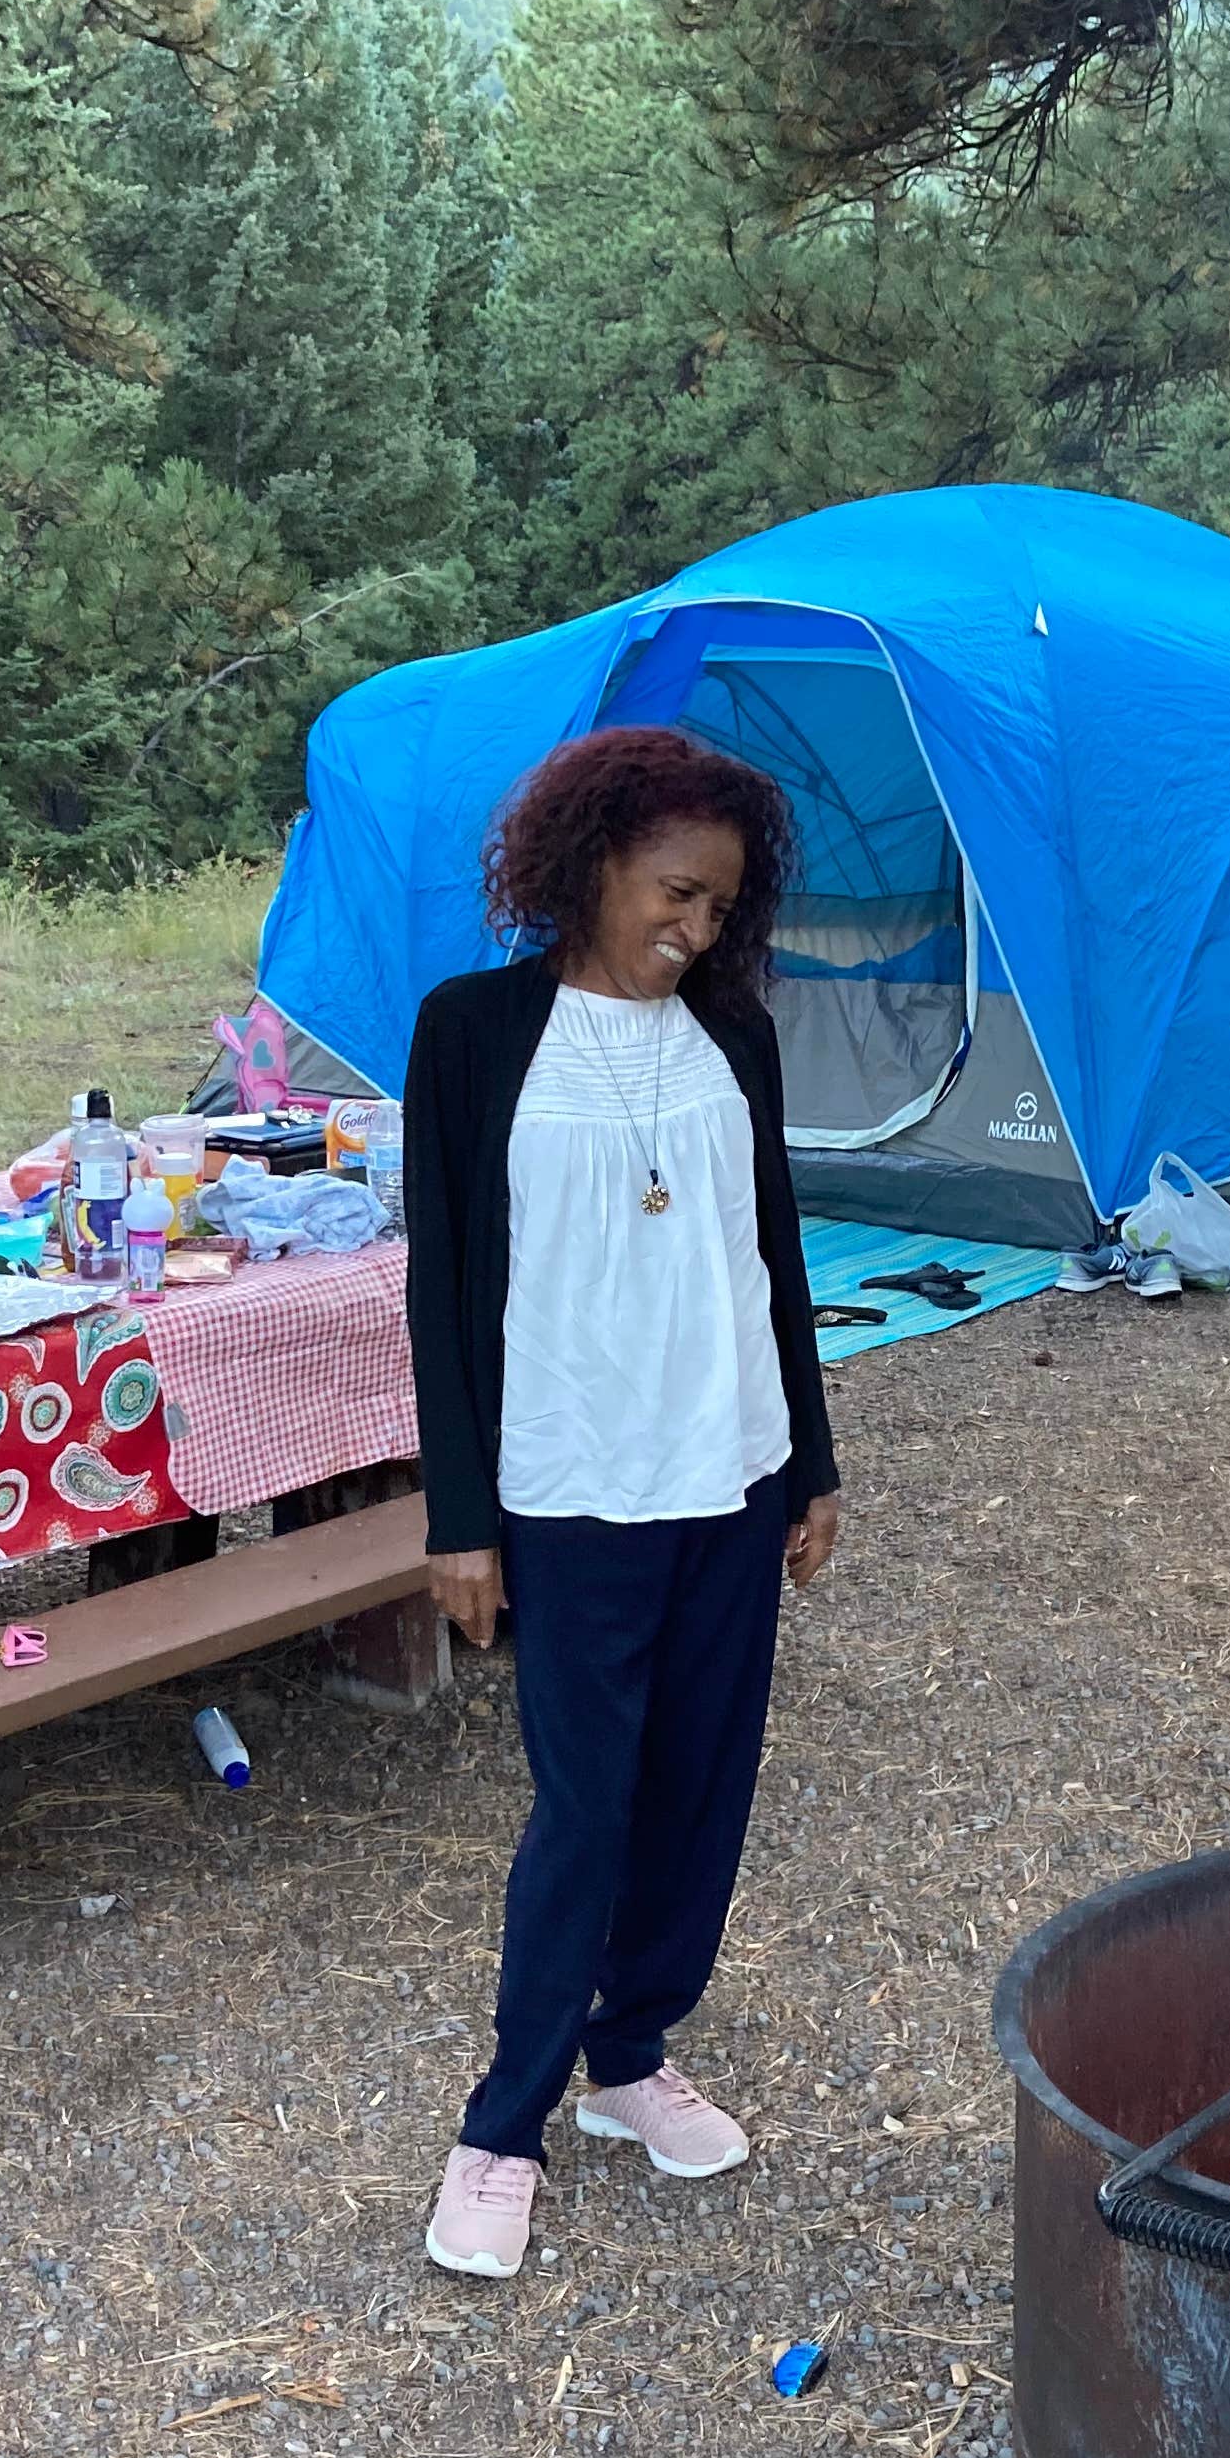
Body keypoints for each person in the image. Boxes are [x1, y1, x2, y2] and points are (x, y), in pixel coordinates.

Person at [402, 728, 845, 2280]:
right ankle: (501, 2128)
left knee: (700, 1790)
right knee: (585, 1808)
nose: (698, 928)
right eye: (675, 892)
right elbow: (443, 1290)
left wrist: (810, 1460)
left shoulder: (734, 1036)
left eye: (721, 904)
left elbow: (773, 1254)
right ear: (590, 866)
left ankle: (631, 2056)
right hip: (570, 1484)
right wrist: (460, 1518)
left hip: (728, 1468)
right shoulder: (472, 1034)